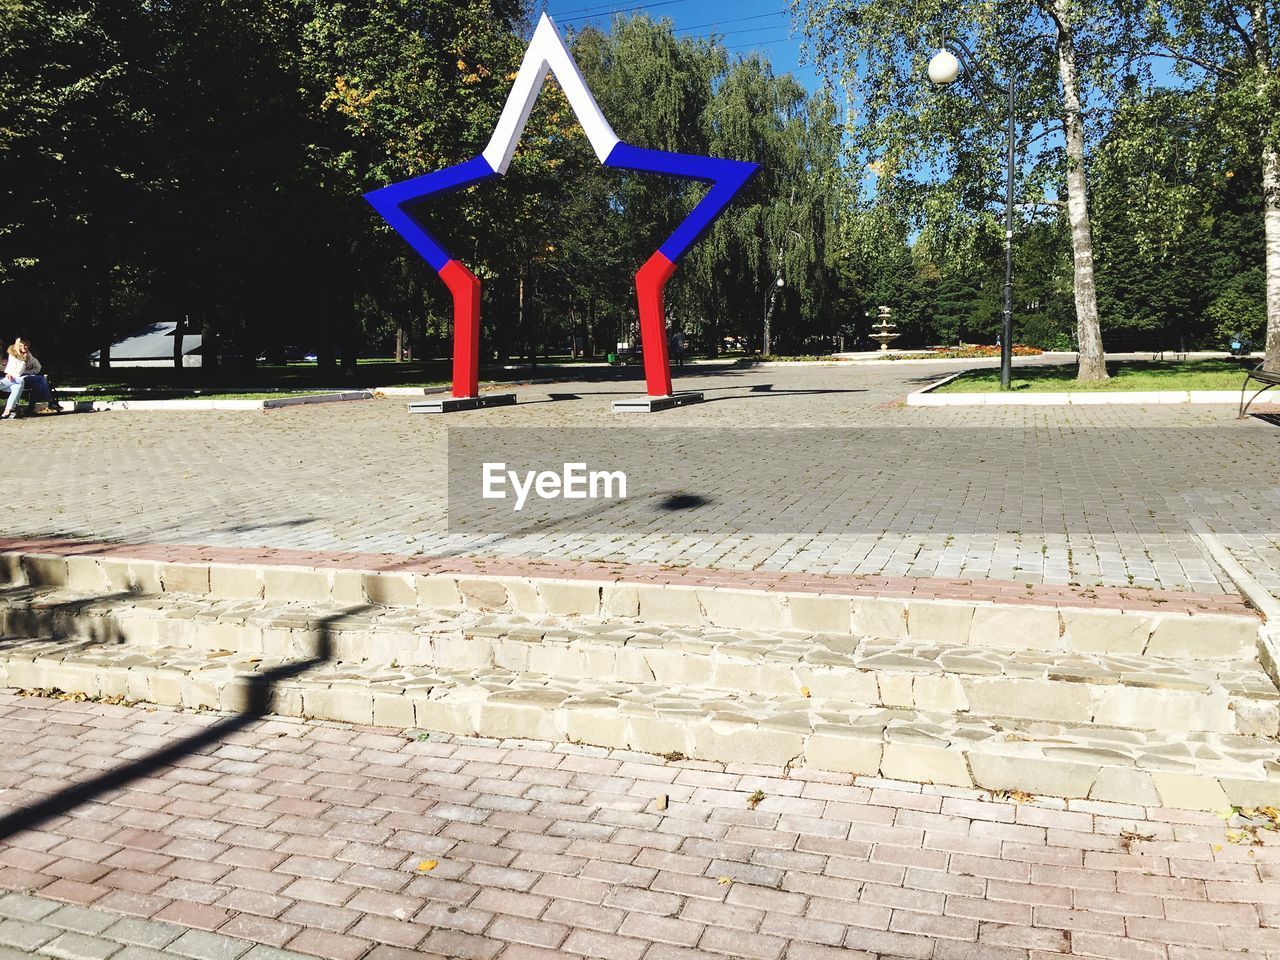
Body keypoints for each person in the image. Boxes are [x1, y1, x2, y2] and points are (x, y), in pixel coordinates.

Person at [4, 337, 56, 415]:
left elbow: (38, 367)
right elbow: (18, 373)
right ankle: (51, 402)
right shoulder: (13, 355)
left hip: (23, 378)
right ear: (17, 346)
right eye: (21, 345)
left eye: (26, 345)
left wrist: (29, 371)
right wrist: (24, 361)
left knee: (38, 385)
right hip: (14, 379)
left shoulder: (27, 353)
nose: (24, 347)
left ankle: (31, 408)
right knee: (41, 379)